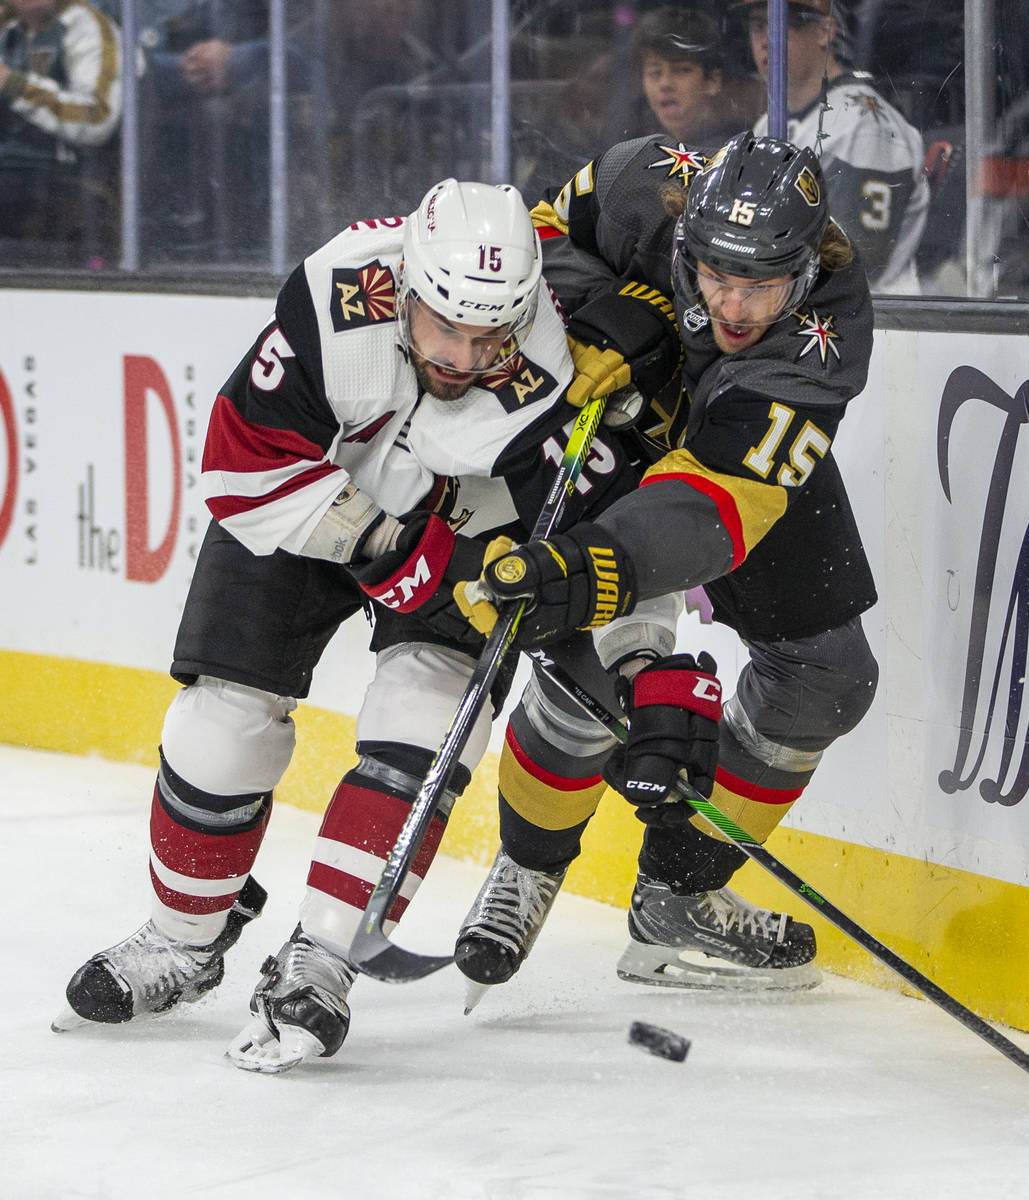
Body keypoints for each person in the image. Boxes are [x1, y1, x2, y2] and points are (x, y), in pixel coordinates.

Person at [53, 178, 639, 1073]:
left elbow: (571, 527)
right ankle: (182, 940)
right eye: (446, 326)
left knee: (426, 723)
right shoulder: (340, 291)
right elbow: (240, 462)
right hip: (305, 502)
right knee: (220, 726)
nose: (465, 354)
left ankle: (324, 958)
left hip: (460, 529)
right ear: (405, 286)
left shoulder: (550, 367)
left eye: (491, 337)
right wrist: (378, 542)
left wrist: (611, 645)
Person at [438, 131, 879, 1002]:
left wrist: (599, 564)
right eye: (718, 276)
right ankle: (527, 868)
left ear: (806, 263)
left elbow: (716, 500)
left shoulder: (826, 333)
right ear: (687, 240)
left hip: (722, 456)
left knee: (828, 676)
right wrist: (614, 304)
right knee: (592, 666)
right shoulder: (646, 182)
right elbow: (527, 248)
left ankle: (682, 894)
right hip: (607, 424)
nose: (738, 306)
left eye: (762, 285)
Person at [732, 0, 928, 293]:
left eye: (783, 24)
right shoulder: (767, 125)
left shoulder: (865, 124)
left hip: (875, 325)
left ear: (825, 31)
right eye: (758, 26)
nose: (766, 40)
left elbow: (853, 264)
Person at [0, 0, 124, 263]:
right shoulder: (8, 28)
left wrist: (15, 85)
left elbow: (97, 117)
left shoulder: (86, 26)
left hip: (57, 175)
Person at [633, 6, 733, 146]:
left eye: (681, 70)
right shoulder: (637, 148)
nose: (665, 83)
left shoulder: (733, 149)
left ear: (713, 80)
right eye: (655, 73)